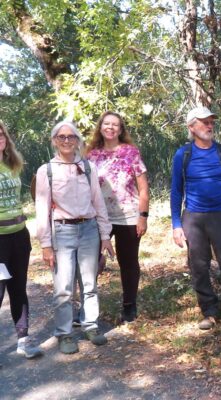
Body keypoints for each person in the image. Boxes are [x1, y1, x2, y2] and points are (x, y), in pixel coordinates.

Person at [35, 121, 115, 354]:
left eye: (71, 137)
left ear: (78, 140)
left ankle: (91, 325)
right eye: (62, 137)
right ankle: (65, 333)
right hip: (62, 232)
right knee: (64, 287)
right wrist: (46, 245)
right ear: (55, 141)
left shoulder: (88, 167)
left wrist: (105, 235)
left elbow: (98, 202)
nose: (67, 140)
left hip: (89, 230)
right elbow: (42, 209)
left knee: (89, 284)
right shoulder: (46, 170)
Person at [170, 106, 221, 331]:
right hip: (194, 217)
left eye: (211, 121)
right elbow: (176, 191)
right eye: (204, 121)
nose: (209, 125)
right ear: (191, 127)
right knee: (198, 265)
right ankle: (209, 312)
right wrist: (176, 224)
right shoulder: (183, 155)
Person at [86, 111, 149, 322]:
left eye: (115, 125)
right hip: (97, 217)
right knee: (89, 260)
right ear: (100, 127)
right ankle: (87, 304)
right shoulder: (91, 155)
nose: (110, 127)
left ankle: (129, 305)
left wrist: (143, 216)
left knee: (128, 262)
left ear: (120, 130)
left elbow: (143, 188)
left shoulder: (130, 152)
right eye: (106, 124)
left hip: (128, 216)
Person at [0, 121, 43, 359]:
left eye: (1, 134)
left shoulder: (12, 164)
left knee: (19, 289)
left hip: (18, 235)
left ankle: (23, 341)